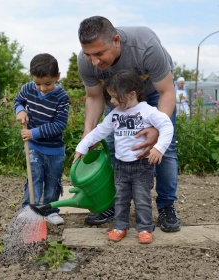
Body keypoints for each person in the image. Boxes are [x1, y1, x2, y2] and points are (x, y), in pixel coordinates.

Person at [77, 16, 181, 232]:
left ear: (116, 41)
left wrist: (155, 130)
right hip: (118, 100)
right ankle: (115, 204)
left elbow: (167, 91)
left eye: (99, 54)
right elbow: (95, 97)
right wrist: (88, 134)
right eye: (88, 55)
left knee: (165, 147)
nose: (94, 61)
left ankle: (166, 206)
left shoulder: (145, 46)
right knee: (113, 145)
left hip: (154, 95)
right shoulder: (85, 60)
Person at [73, 70, 174, 243]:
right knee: (120, 198)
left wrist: (159, 148)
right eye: (110, 97)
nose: (111, 101)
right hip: (121, 166)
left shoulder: (147, 111)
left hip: (142, 165)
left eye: (115, 97)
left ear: (132, 94)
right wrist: (82, 147)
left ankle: (144, 228)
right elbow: (99, 132)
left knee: (142, 199)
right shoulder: (115, 114)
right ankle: (120, 226)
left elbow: (166, 125)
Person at [14, 53, 69, 224]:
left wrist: (33, 133)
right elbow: (18, 101)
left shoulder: (62, 97)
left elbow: (59, 124)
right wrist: (20, 110)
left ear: (57, 76)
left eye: (48, 83)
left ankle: (50, 211)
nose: (42, 88)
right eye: (38, 83)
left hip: (54, 149)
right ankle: (30, 209)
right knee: (34, 177)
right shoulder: (28, 88)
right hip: (34, 147)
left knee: (53, 182)